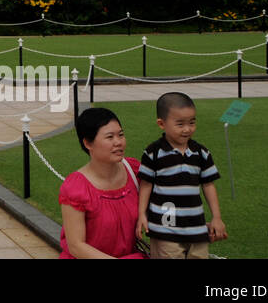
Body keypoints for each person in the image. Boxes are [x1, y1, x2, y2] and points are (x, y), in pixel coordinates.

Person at [137, 92, 226, 259]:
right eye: (180, 124)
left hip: (196, 226)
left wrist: (217, 217)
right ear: (161, 124)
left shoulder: (202, 153)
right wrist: (141, 214)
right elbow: (146, 184)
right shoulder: (153, 153)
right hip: (164, 227)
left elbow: (208, 185)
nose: (187, 129)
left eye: (192, 122)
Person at [59, 107, 145, 259]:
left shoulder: (134, 171)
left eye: (121, 135)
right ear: (88, 143)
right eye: (110, 137)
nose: (118, 142)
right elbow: (76, 246)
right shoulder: (76, 187)